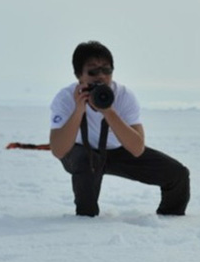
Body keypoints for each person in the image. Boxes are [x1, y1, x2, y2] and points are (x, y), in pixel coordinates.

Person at [49, 41, 190, 217]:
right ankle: (86, 219)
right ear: (79, 75)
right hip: (80, 152)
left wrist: (108, 111)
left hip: (117, 151)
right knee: (86, 161)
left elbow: (137, 149)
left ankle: (171, 218)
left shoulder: (124, 96)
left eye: (107, 70)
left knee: (177, 174)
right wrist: (78, 110)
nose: (101, 77)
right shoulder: (65, 98)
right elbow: (59, 150)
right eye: (93, 71)